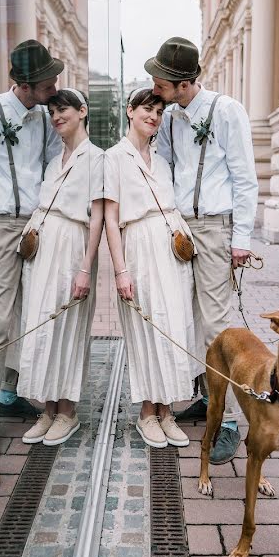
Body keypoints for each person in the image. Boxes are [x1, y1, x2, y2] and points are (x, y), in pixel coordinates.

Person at [146, 37, 259, 464]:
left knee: (215, 325)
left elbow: (244, 178)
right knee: (186, 321)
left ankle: (228, 421)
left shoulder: (226, 110)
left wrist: (241, 240)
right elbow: (168, 170)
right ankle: (203, 395)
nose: (154, 85)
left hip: (216, 228)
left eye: (160, 78)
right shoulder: (171, 117)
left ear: (184, 81)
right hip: (179, 229)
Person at [0, 39, 64, 459]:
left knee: (30, 315)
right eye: (47, 79)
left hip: (40, 226)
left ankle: (8, 393)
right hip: (0, 225)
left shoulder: (45, 114)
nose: (55, 84)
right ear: (24, 83)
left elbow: (59, 166)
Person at [104, 88, 201, 449]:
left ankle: (167, 410)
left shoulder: (163, 157)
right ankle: (147, 411)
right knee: (147, 327)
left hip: (173, 247)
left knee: (174, 327)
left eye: (159, 111)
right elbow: (111, 220)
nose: (154, 117)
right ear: (130, 111)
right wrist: (120, 270)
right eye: (147, 109)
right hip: (140, 247)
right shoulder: (114, 158)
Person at [14, 88, 105, 446]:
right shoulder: (55, 159)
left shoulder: (97, 158)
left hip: (72, 247)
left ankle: (67, 411)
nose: (55, 117)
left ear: (82, 111)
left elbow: (97, 216)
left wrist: (86, 267)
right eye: (52, 112)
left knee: (67, 326)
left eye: (62, 110)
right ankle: (48, 409)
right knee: (41, 328)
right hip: (42, 249)